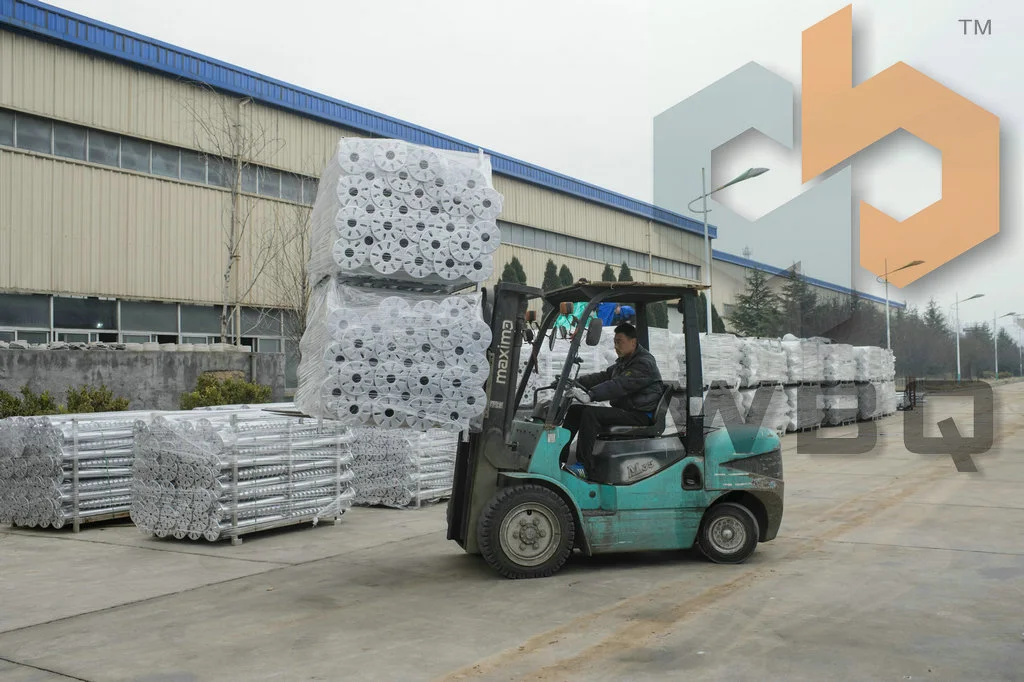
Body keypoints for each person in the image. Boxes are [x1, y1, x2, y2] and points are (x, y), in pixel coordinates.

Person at [561, 323, 663, 477]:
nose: (616, 346)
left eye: (619, 342)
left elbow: (619, 384)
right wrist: (575, 382)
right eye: (615, 342)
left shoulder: (643, 363)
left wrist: (591, 395)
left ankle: (583, 466)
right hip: (628, 410)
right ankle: (560, 457)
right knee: (576, 410)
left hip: (641, 414)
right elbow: (604, 376)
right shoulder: (624, 361)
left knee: (591, 414)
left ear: (633, 342)